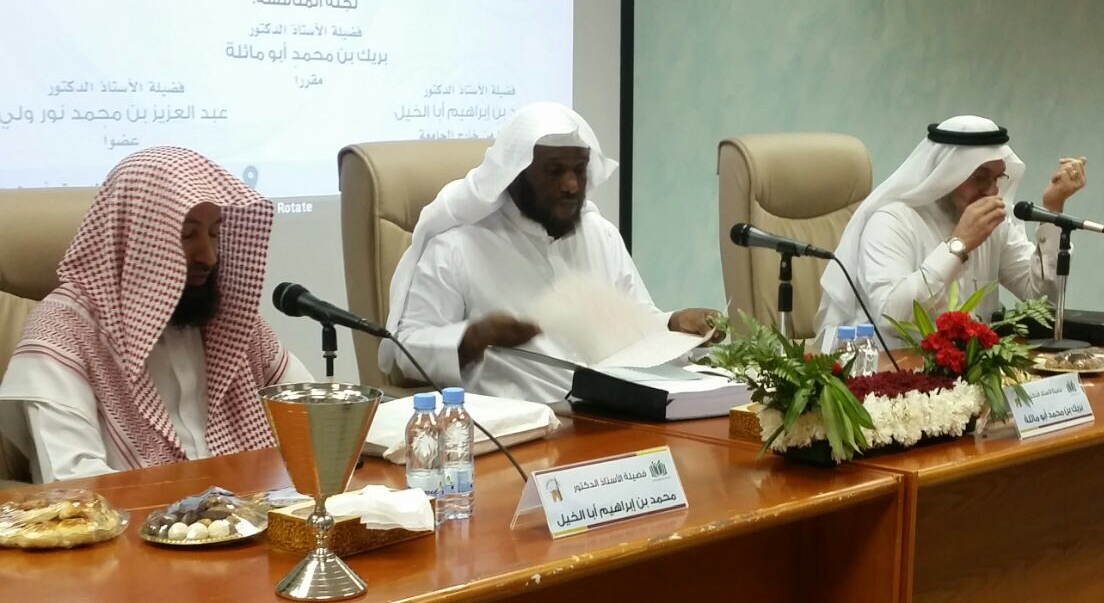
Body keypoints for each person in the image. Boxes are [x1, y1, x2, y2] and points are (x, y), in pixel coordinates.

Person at [0, 146, 311, 483]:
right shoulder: (63, 330)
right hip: (129, 514)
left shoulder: (230, 320)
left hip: (256, 508)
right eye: (187, 234)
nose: (208, 256)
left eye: (214, 233)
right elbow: (73, 481)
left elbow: (314, 415)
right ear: (138, 237)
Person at [382, 101, 719, 401]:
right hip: (518, 429)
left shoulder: (600, 235)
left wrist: (673, 324)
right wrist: (474, 337)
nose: (571, 185)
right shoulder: (458, 246)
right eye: (554, 171)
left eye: (579, 170)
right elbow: (406, 349)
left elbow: (634, 329)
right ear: (515, 174)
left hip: (611, 418)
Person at [815, 115, 1088, 349]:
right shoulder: (892, 221)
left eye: (997, 178)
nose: (991, 190)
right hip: (895, 373)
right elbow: (892, 318)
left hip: (971, 375)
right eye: (980, 177)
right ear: (947, 175)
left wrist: (1054, 208)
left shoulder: (994, 223)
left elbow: (1042, 301)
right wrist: (958, 245)